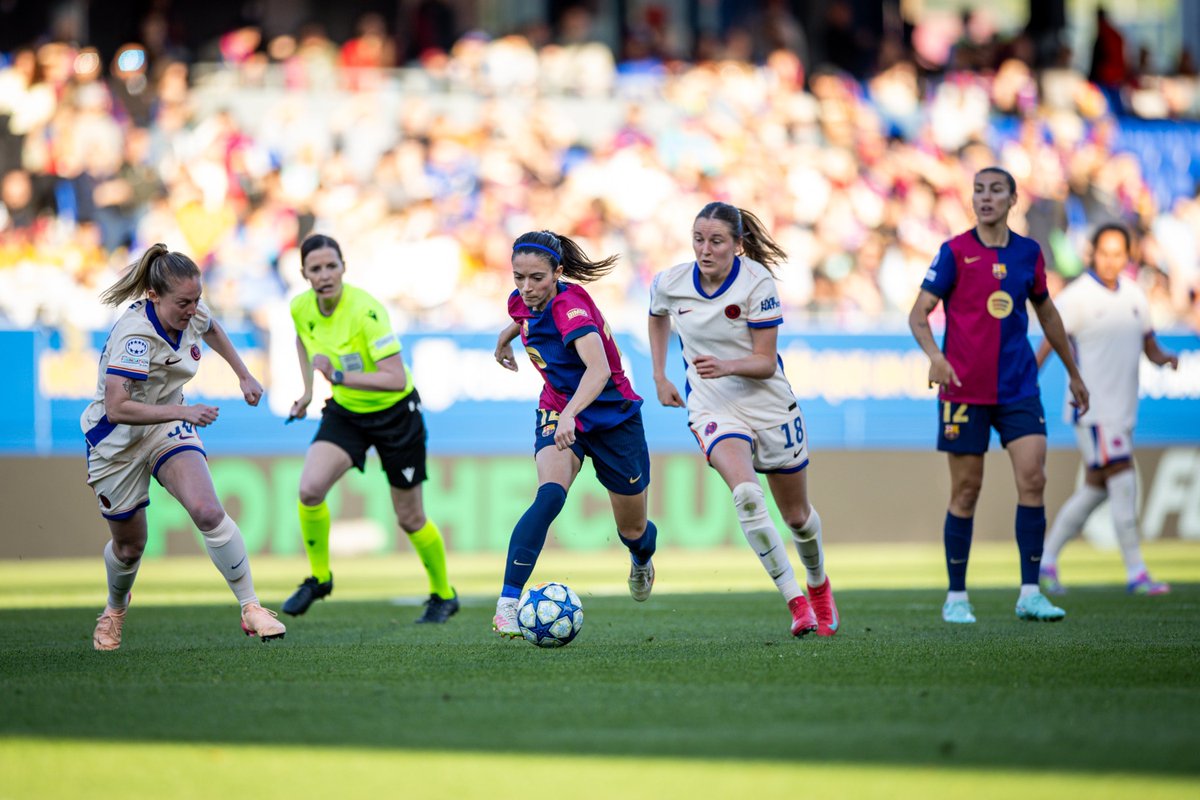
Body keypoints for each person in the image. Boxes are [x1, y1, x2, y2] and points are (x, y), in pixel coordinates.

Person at [908, 167, 1089, 625]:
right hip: (964, 390)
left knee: (1034, 480)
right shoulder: (954, 252)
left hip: (1018, 388)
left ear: (1013, 200)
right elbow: (918, 315)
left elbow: (1048, 316)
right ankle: (956, 596)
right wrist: (934, 355)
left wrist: (1073, 373)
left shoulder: (1029, 254)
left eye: (995, 191)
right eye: (979, 191)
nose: (985, 198)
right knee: (966, 491)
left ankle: (1030, 592)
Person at [648, 202, 838, 638]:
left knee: (797, 517)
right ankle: (796, 604)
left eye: (716, 241)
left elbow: (766, 363)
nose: (705, 249)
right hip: (713, 406)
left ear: (738, 245)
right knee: (748, 496)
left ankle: (818, 585)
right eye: (698, 239)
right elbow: (657, 315)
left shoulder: (758, 283)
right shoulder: (671, 282)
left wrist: (727, 365)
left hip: (767, 404)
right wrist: (660, 375)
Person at [83, 244, 286, 650]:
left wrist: (244, 375)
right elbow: (117, 407)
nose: (192, 309)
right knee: (129, 547)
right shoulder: (136, 336)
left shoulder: (190, 311)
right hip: (115, 442)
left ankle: (251, 606)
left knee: (208, 510)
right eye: (183, 302)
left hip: (167, 424)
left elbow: (211, 328)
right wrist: (185, 410)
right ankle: (114, 609)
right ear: (154, 296)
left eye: (197, 299)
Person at [282, 233, 458, 623]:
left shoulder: (367, 311)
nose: (325, 274)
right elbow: (302, 339)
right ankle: (320, 577)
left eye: (332, 266)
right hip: (347, 414)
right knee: (309, 489)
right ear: (304, 274)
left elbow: (395, 378)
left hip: (397, 415)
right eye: (316, 269)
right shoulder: (301, 307)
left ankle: (444, 594)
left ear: (344, 267)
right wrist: (309, 392)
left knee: (410, 518)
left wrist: (339, 375)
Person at [491, 230, 658, 637]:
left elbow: (599, 371)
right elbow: (524, 317)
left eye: (536, 279)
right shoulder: (522, 301)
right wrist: (505, 338)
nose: (526, 288)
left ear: (558, 273)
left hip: (612, 418)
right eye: (518, 277)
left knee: (633, 531)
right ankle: (507, 605)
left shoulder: (572, 308)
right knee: (549, 495)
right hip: (559, 409)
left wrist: (570, 414)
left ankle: (640, 559)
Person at [1036, 223, 1178, 595]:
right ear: (1092, 254)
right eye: (1105, 253)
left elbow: (1150, 345)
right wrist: (1029, 373)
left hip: (1123, 409)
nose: (1111, 261)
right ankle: (1137, 573)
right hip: (1093, 409)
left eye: (1118, 254)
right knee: (1123, 479)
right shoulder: (1078, 296)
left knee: (1096, 489)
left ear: (1127, 256)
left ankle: (1045, 561)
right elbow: (1052, 336)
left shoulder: (1134, 295)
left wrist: (1165, 359)